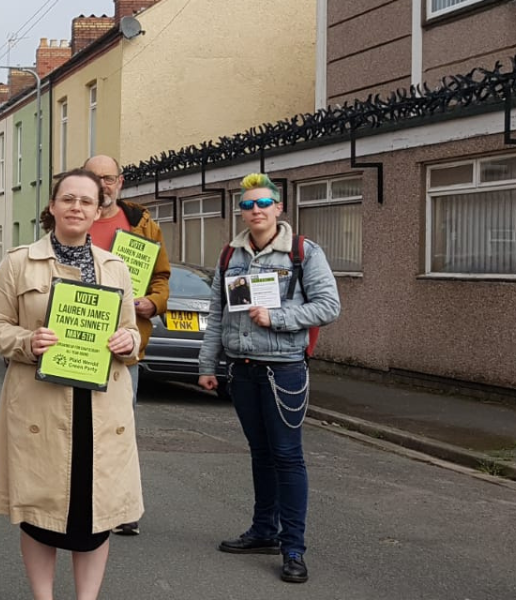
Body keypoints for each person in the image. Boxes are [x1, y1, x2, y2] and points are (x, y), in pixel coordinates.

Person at [0, 169, 143, 600]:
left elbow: (131, 332)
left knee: (97, 512)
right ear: (51, 207)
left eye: (86, 201)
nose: (76, 207)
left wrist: (130, 340)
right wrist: (27, 341)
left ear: (98, 211)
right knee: (40, 512)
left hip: (101, 407)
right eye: (67, 199)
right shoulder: (19, 262)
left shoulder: (116, 267)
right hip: (41, 403)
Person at [198, 173, 341, 585]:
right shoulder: (230, 255)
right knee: (260, 454)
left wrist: (277, 318)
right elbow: (218, 317)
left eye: (263, 204)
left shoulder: (302, 253)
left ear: (279, 208)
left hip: (283, 370)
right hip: (241, 369)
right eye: (247, 205)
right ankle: (264, 531)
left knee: (287, 456)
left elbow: (329, 306)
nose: (255, 211)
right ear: (240, 212)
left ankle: (293, 546)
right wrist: (208, 366)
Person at [81, 154, 167, 537]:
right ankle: (81, 500)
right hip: (78, 342)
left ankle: (121, 507)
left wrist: (154, 303)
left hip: (123, 349)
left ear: (120, 181)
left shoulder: (143, 227)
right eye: (94, 178)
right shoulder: (74, 218)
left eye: (109, 177)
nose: (103, 184)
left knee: (119, 430)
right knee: (75, 427)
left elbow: (161, 276)